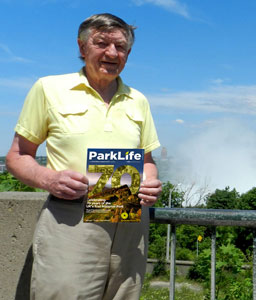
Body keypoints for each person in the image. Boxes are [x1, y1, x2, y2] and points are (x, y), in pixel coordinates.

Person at [6, 13, 162, 300]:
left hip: (128, 220)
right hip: (71, 218)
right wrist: (49, 179)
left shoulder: (138, 100)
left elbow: (148, 160)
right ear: (82, 47)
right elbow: (17, 156)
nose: (112, 53)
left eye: (121, 46)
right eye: (101, 43)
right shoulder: (49, 88)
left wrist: (150, 182)